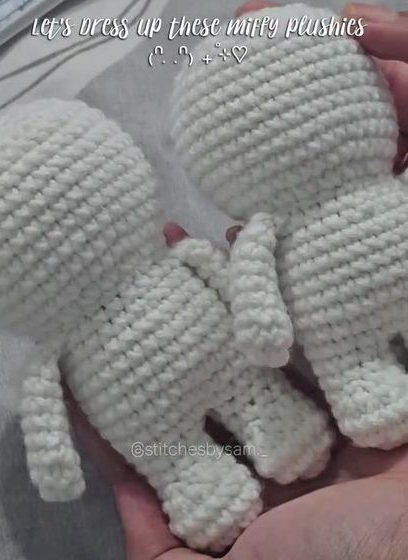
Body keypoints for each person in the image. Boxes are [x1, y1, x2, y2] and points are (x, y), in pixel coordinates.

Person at [68, 3, 408, 558]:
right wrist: (259, 325)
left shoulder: (266, 233)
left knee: (323, 370)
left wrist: (259, 329)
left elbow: (242, 279)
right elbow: (241, 280)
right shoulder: (263, 234)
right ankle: (338, 389)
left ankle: (347, 383)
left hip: (310, 318)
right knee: (302, 382)